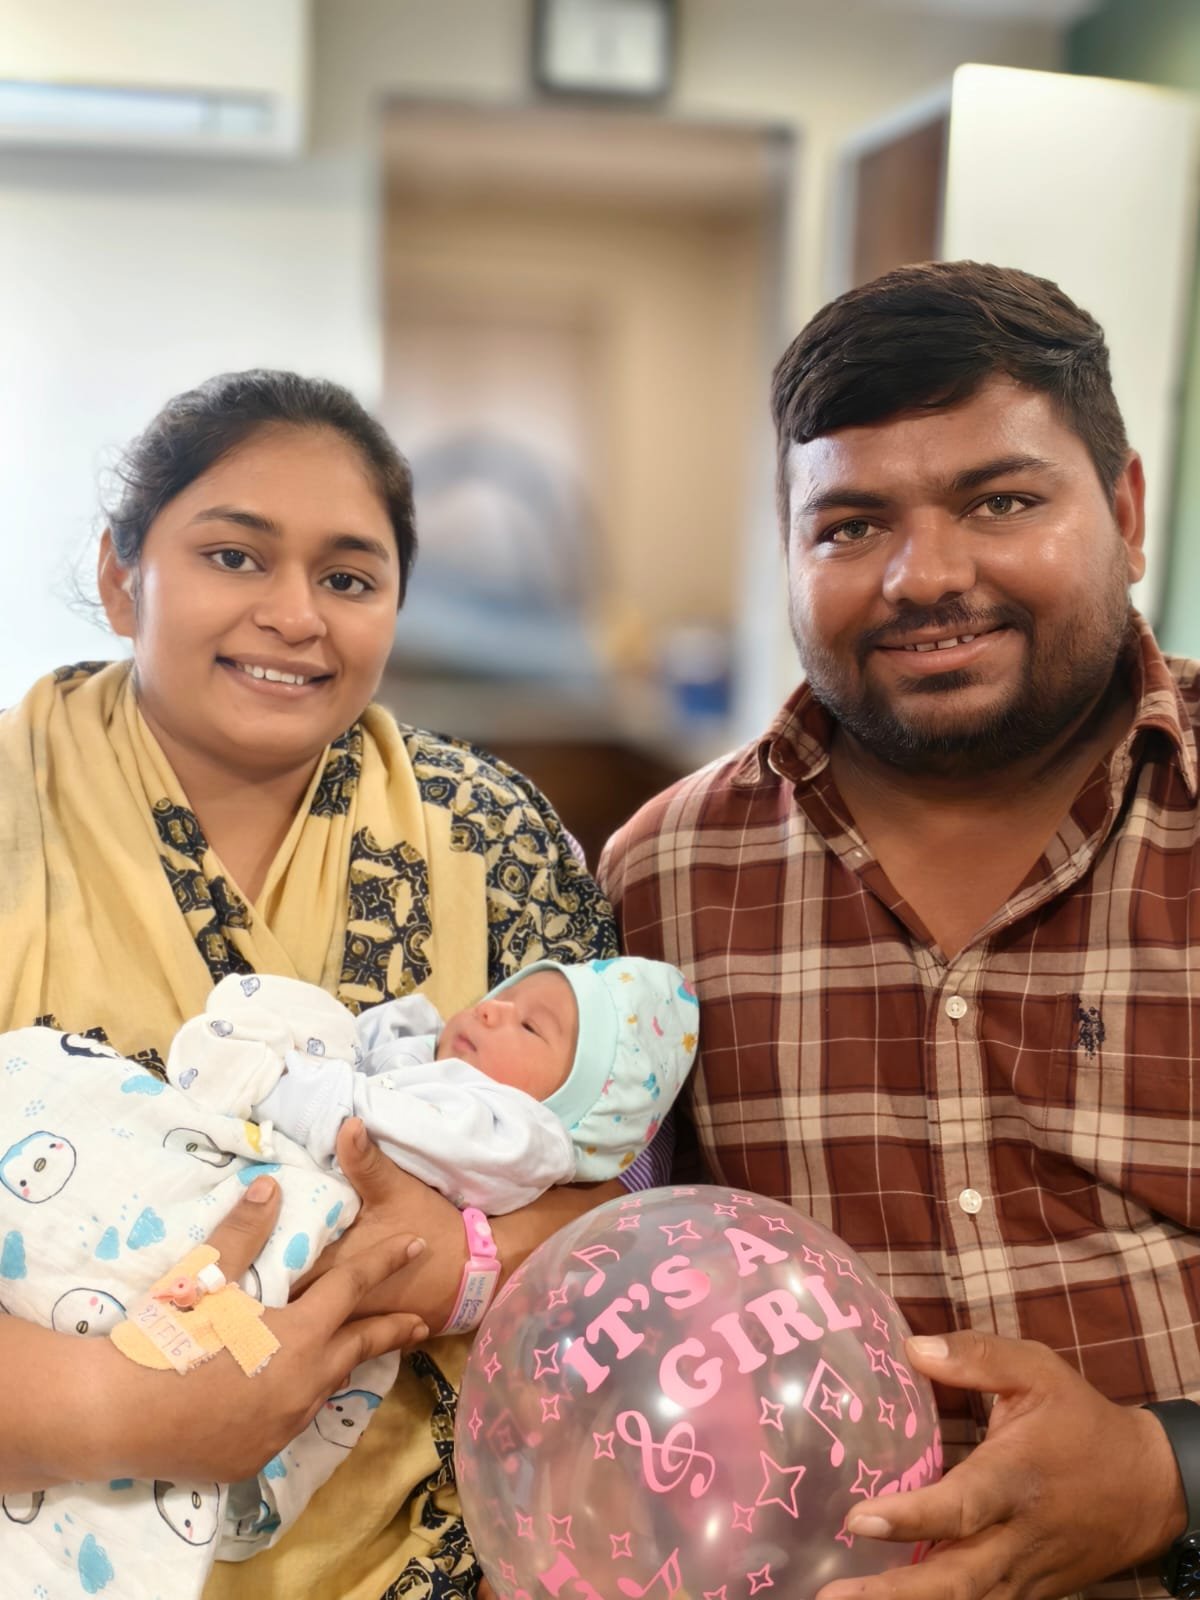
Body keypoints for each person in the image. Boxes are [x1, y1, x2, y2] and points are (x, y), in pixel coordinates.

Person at [599, 260, 1200, 1600]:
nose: (926, 577)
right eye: (852, 526)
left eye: (1001, 502)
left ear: (1125, 511)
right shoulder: (663, 881)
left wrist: (1169, 1476)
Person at [0, 367, 651, 1600]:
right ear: (121, 575)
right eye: (234, 557)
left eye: (349, 578)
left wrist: (451, 1255)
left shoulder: (488, 832)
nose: (295, 615)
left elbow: (620, 1203)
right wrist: (122, 1409)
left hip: (447, 1550)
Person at [0, 956, 695, 1598]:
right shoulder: (426, 1062)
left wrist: (287, 1082)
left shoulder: (516, 1131)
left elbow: (391, 1130)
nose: (491, 1009)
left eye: (530, 1026)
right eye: (503, 996)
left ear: (578, 1108)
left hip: (311, 1261)